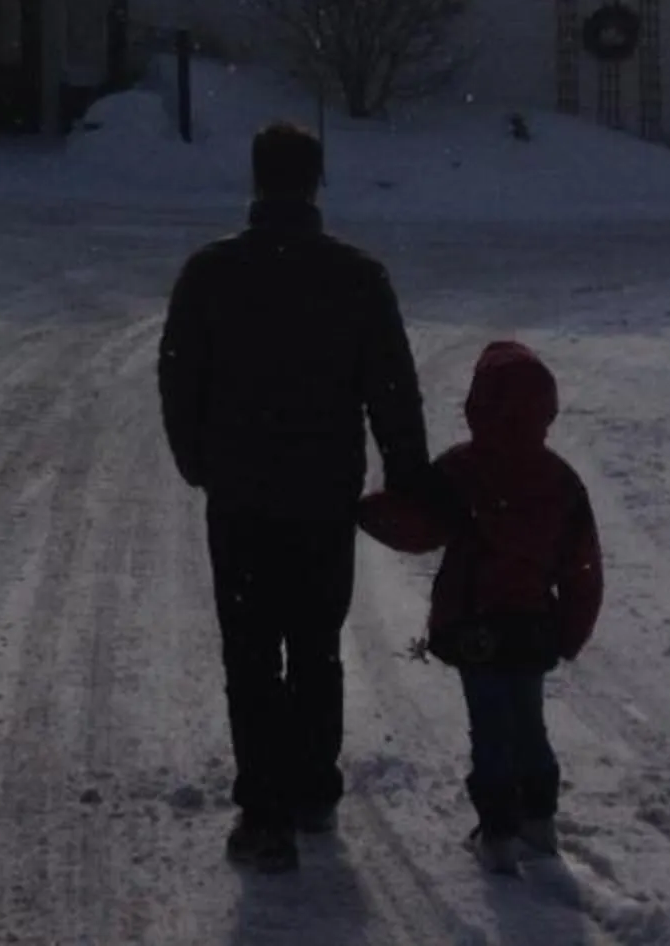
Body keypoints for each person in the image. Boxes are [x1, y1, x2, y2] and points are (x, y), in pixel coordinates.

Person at [159, 119, 435, 876]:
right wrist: (408, 477)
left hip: (242, 495)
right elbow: (391, 387)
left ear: (255, 181)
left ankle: (264, 809)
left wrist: (198, 459)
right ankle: (312, 786)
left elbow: (179, 375)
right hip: (322, 495)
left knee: (250, 653)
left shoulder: (211, 273)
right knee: (315, 647)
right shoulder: (356, 276)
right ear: (316, 183)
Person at [358, 339, 604, 874]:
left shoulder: (461, 471)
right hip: (534, 627)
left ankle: (497, 833)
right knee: (529, 724)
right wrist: (571, 631)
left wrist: (371, 511)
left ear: (476, 405)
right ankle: (539, 819)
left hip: (477, 627)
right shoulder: (561, 481)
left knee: (490, 728)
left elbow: (419, 528)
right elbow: (582, 566)